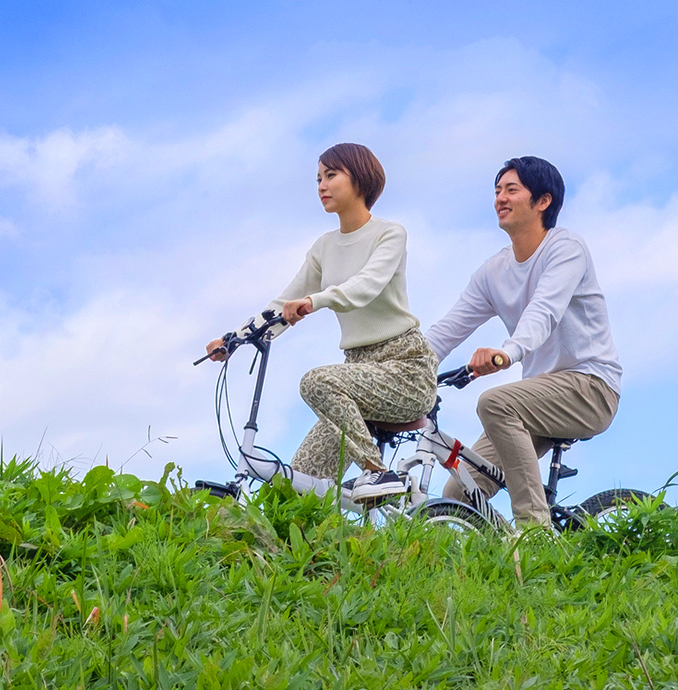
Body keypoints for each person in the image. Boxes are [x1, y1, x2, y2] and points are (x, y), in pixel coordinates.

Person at [205, 143, 437, 500]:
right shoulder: (323, 247)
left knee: (315, 381)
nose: (321, 186)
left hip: (404, 368)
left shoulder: (390, 233)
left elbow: (366, 286)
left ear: (360, 179)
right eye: (318, 179)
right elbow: (283, 305)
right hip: (355, 375)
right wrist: (232, 340)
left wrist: (316, 301)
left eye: (331, 175)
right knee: (292, 489)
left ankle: (377, 472)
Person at [424, 156, 622, 529]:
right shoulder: (493, 272)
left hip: (590, 387)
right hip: (537, 398)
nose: (500, 198)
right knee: (458, 494)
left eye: (511, 189)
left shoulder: (566, 249)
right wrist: (405, 365)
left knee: (495, 402)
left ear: (542, 201)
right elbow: (446, 330)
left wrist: (507, 352)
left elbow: (544, 311)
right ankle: (502, 544)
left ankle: (535, 532)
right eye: (497, 190)